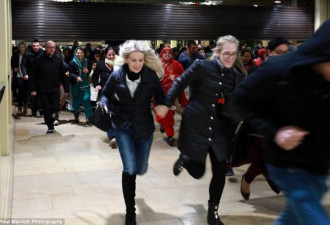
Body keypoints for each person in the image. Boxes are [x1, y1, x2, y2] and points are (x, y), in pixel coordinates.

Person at [229, 19, 330, 225]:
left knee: (292, 218)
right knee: (311, 214)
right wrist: (276, 131)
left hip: (318, 165)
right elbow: (241, 99)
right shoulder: (278, 69)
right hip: (288, 164)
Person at [165, 35, 244, 225]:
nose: (230, 58)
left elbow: (241, 102)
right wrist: (166, 102)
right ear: (217, 53)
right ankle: (186, 158)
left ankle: (213, 213)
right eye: (226, 53)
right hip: (197, 125)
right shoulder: (201, 67)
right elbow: (179, 83)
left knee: (219, 172)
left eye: (234, 54)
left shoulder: (237, 76)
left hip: (221, 131)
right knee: (197, 172)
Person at [99, 40, 168, 225]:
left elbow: (161, 95)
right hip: (123, 127)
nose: (137, 64)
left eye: (140, 60)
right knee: (129, 169)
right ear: (126, 59)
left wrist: (162, 104)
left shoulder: (151, 76)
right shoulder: (116, 76)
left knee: (141, 168)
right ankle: (130, 211)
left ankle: (134, 191)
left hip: (144, 128)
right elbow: (105, 93)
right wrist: (103, 103)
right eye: (133, 60)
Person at [29, 40, 69, 133]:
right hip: (43, 89)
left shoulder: (58, 60)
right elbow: (33, 76)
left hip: (55, 88)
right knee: (46, 108)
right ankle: (50, 126)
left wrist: (66, 88)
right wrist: (32, 89)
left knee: (56, 107)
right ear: (45, 48)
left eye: (53, 47)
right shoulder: (38, 60)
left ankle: (51, 118)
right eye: (50, 47)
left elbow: (62, 75)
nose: (52, 49)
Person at [156, 46, 187, 146]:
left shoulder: (176, 64)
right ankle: (170, 135)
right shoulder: (157, 65)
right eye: (165, 53)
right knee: (164, 115)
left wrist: (176, 77)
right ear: (161, 54)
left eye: (169, 53)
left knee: (170, 114)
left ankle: (166, 128)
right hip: (160, 94)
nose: (167, 55)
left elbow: (185, 76)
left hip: (173, 94)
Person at [92, 46, 122, 148]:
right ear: (105, 55)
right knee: (107, 114)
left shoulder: (119, 64)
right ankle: (112, 136)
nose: (111, 56)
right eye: (109, 55)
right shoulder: (100, 64)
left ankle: (114, 135)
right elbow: (94, 76)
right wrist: (97, 85)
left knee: (116, 114)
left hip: (117, 95)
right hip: (105, 93)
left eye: (113, 54)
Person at [68, 47, 92, 125]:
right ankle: (76, 116)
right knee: (77, 100)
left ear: (83, 54)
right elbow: (70, 73)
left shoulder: (87, 62)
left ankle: (89, 117)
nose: (79, 54)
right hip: (76, 84)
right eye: (78, 53)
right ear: (75, 53)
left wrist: (87, 71)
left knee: (86, 99)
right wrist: (76, 77)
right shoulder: (72, 62)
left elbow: (91, 72)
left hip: (85, 83)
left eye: (81, 53)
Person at [21, 39, 44, 117]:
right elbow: (23, 65)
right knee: (33, 95)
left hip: (41, 77)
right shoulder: (27, 54)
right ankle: (34, 112)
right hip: (31, 78)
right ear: (31, 46)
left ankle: (41, 111)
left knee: (41, 95)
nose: (36, 47)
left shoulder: (43, 53)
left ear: (39, 45)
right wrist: (25, 74)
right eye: (34, 46)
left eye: (37, 45)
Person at [11, 41, 29, 116]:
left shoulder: (28, 55)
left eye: (23, 47)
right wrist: (14, 68)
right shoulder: (15, 55)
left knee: (26, 92)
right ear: (18, 48)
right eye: (20, 47)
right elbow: (12, 63)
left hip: (26, 76)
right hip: (18, 76)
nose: (21, 49)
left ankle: (25, 106)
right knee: (21, 92)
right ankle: (19, 108)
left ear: (25, 48)